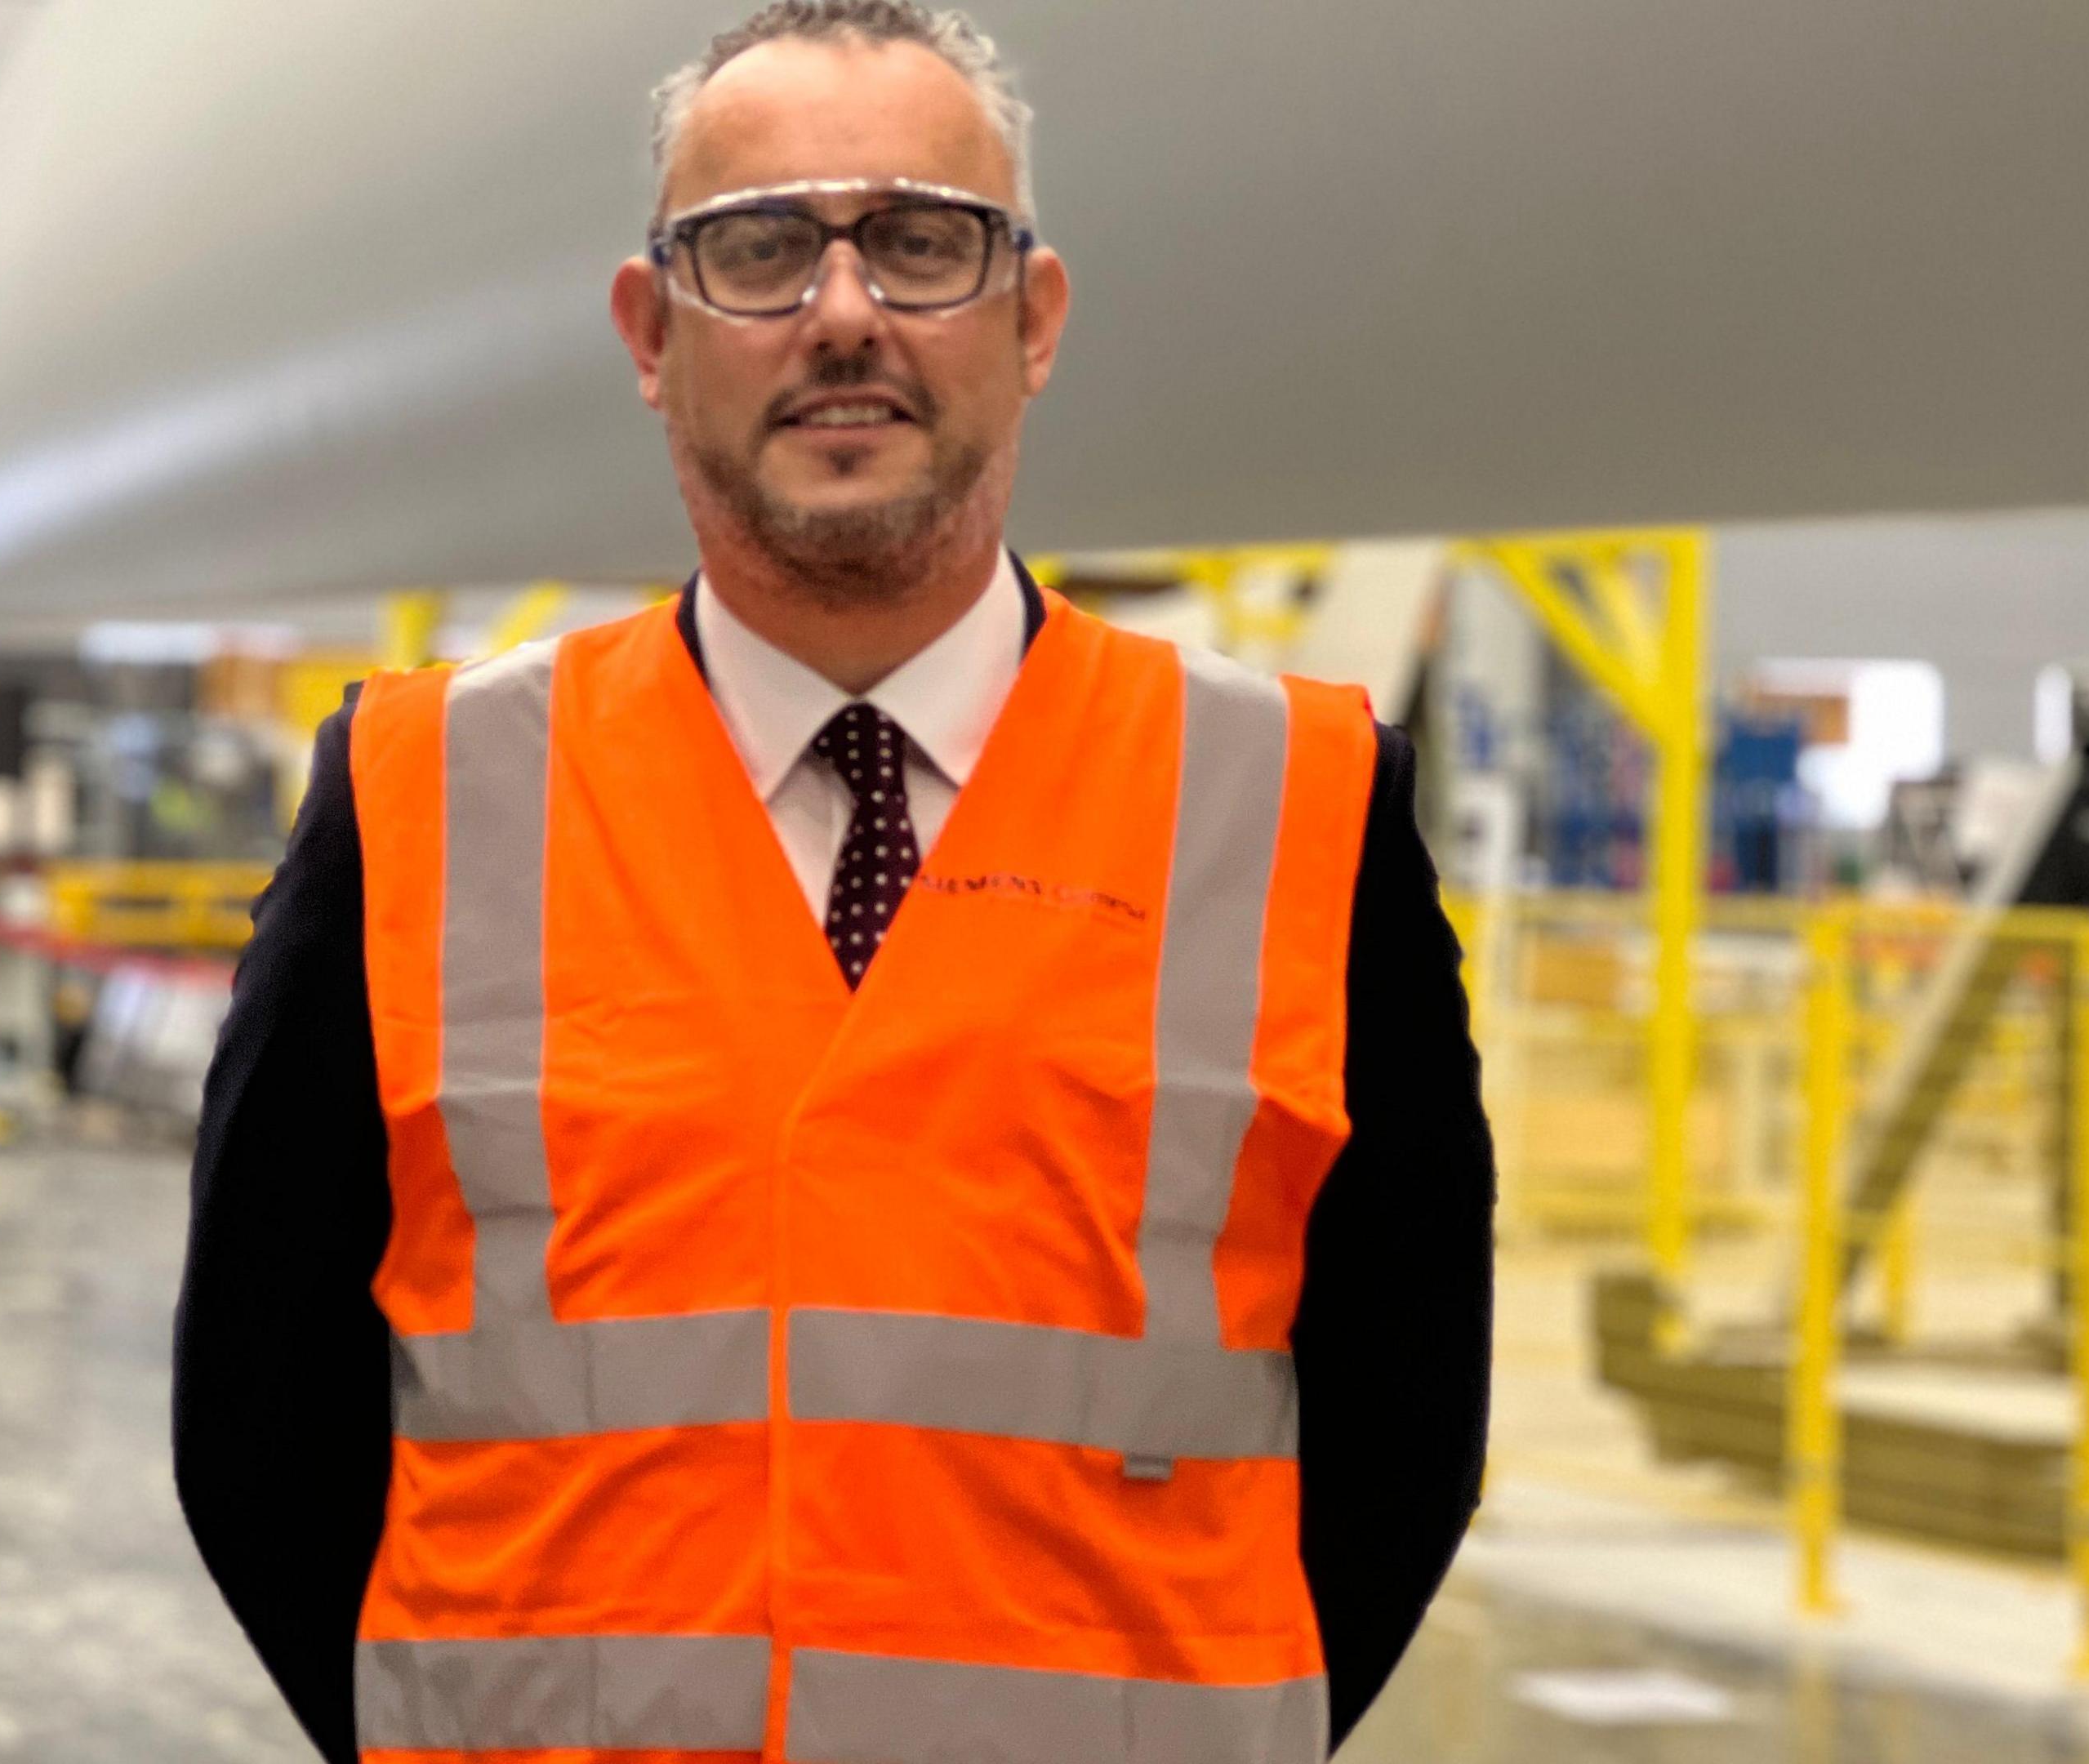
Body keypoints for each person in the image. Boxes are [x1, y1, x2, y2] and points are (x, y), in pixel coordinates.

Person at [173, 4, 1494, 1760]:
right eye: (763, 247)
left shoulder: (1298, 810)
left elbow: (1404, 1432)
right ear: (653, 334)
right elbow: (260, 1423)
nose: (847, 311)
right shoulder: (418, 802)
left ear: (1035, 322)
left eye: (925, 243)